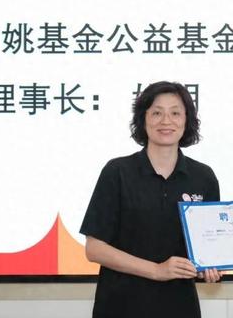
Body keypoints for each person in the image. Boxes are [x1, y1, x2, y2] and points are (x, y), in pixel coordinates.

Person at [80, 81, 221, 318]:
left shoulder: (203, 177)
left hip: (179, 306)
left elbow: (209, 246)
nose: (166, 121)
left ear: (187, 120)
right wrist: (156, 270)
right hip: (120, 306)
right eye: (156, 113)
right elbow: (94, 249)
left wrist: (209, 266)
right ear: (143, 120)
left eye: (175, 113)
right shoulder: (117, 172)